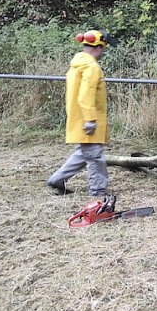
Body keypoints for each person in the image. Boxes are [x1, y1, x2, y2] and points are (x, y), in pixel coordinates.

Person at [46, 29, 117, 212]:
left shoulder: (77, 65)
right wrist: (90, 120)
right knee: (96, 158)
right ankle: (98, 192)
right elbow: (86, 94)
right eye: (103, 48)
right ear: (99, 47)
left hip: (78, 119)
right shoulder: (91, 67)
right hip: (88, 120)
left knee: (83, 154)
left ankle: (56, 180)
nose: (103, 52)